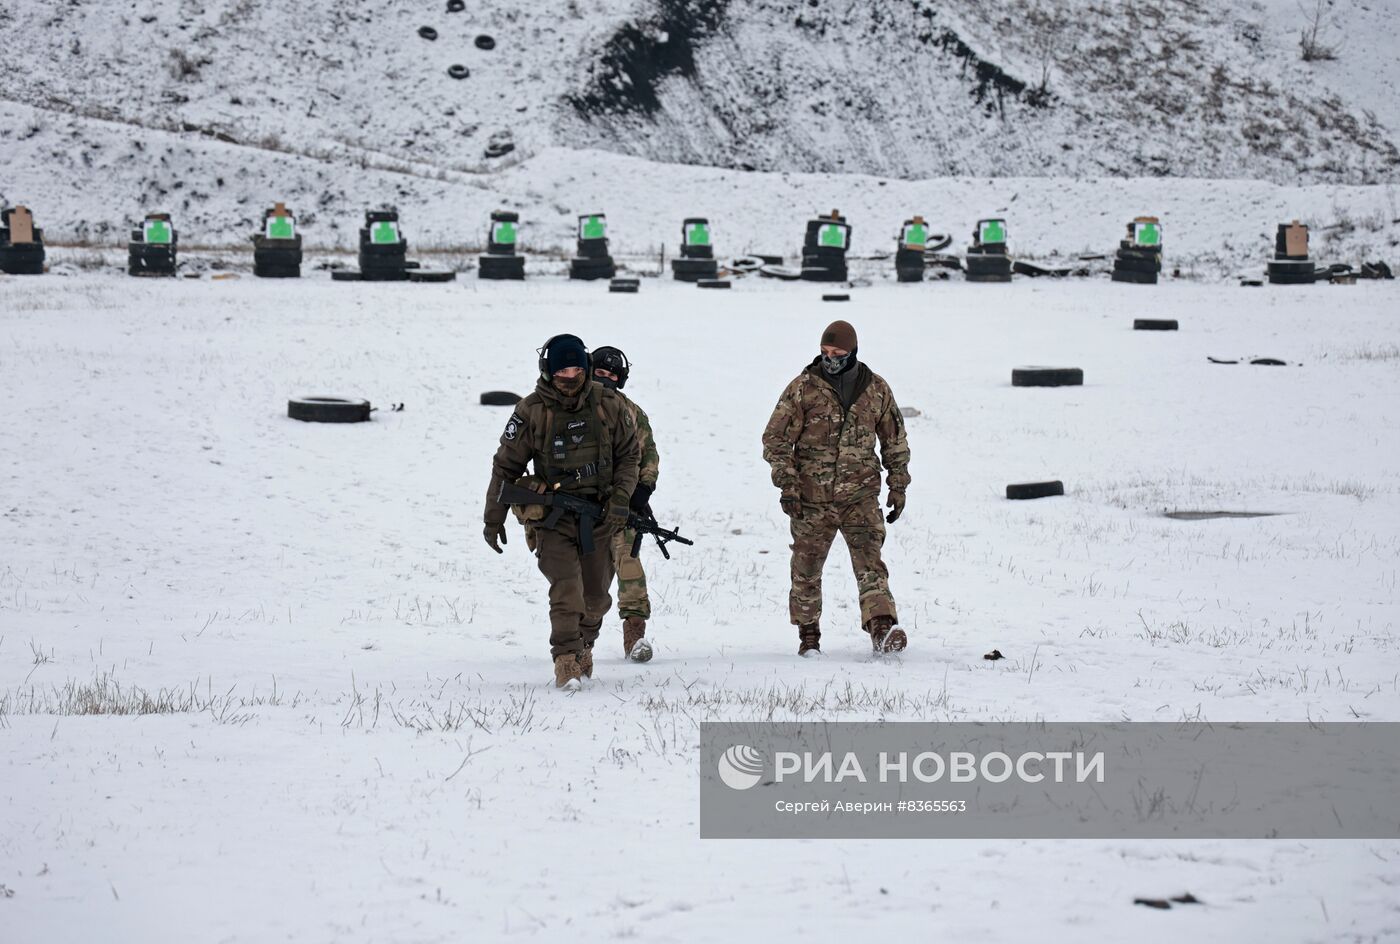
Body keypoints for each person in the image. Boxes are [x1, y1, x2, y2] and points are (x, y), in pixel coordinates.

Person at [483, 334, 640, 688]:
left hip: (600, 517)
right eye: (561, 372)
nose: (570, 377)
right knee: (566, 590)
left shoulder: (609, 405)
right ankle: (566, 660)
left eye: (576, 370)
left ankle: (585, 645)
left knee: (596, 600)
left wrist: (621, 497)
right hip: (553, 519)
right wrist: (493, 518)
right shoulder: (531, 411)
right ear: (547, 371)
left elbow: (629, 456)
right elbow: (505, 467)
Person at [761, 320, 911, 656]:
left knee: (870, 563)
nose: (830, 359)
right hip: (811, 499)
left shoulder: (875, 390)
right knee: (806, 570)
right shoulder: (803, 389)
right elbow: (775, 439)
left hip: (860, 496)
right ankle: (809, 636)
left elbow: (894, 440)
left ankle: (882, 628)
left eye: (838, 353)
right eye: (825, 352)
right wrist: (787, 484)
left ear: (853, 352)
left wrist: (898, 484)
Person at [592, 346, 658, 662]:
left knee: (629, 564)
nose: (605, 380)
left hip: (623, 505)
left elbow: (649, 455)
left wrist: (642, 490)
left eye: (612, 376)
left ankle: (635, 635)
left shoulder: (632, 413)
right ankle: (576, 640)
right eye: (599, 373)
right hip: (580, 504)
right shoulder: (571, 408)